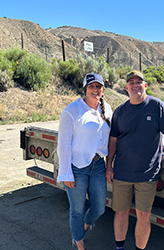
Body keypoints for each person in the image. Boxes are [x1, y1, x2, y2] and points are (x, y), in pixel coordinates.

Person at [106, 70, 164, 250]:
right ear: (126, 88)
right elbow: (113, 140)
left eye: (139, 82)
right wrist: (109, 166)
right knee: (121, 212)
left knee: (143, 215)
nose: (135, 85)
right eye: (131, 82)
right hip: (122, 173)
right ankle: (120, 248)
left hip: (147, 175)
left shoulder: (157, 106)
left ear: (145, 86)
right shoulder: (120, 111)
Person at [57, 73, 112, 250]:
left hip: (98, 165)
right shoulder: (72, 111)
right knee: (77, 209)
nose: (95, 90)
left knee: (99, 208)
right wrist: (66, 173)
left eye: (98, 86)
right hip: (77, 167)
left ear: (103, 89)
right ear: (85, 89)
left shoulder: (107, 109)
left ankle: (85, 226)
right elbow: (63, 144)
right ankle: (79, 242)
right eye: (91, 86)